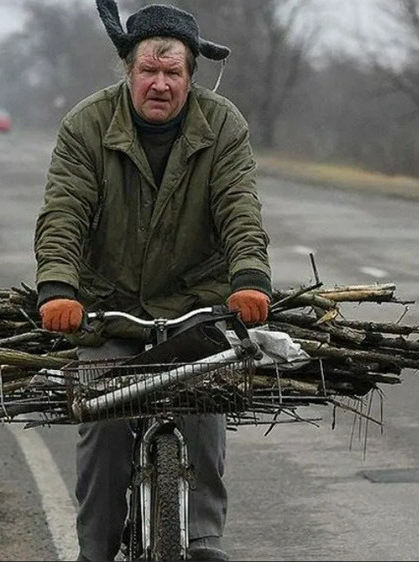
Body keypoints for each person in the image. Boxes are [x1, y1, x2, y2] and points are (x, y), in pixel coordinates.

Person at [33, 1, 272, 560]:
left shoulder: (223, 125)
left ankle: (204, 538)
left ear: (191, 76)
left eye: (173, 73)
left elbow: (240, 208)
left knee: (205, 397)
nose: (160, 84)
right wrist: (58, 288)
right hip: (109, 306)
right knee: (103, 418)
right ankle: (95, 550)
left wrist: (251, 278)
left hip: (196, 303)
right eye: (149, 71)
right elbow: (63, 211)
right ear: (128, 71)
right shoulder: (87, 125)